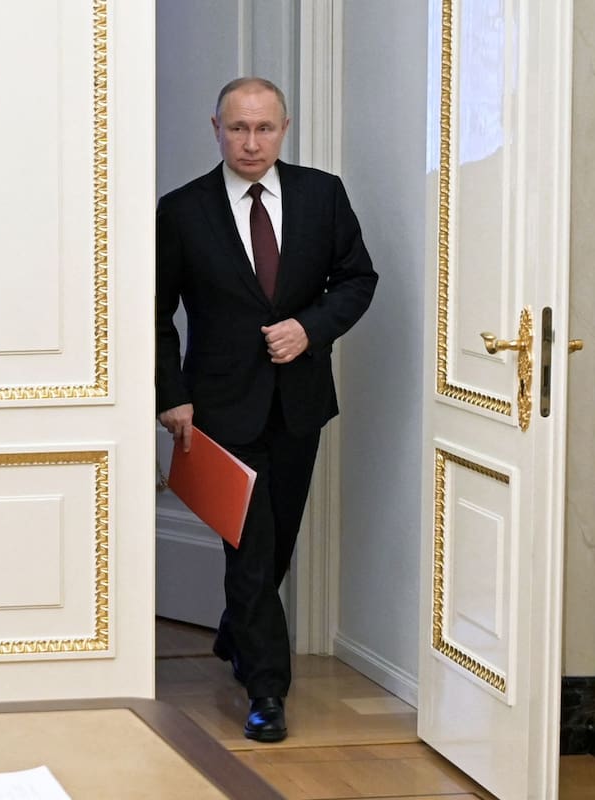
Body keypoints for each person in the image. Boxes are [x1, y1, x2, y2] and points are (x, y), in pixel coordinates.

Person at [156, 77, 377, 742]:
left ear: (285, 128)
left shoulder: (322, 194)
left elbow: (358, 279)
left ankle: (235, 632)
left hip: (299, 402)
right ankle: (268, 692)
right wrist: (171, 395)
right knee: (247, 550)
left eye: (264, 128)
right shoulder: (183, 209)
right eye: (237, 128)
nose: (250, 142)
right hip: (219, 408)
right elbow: (155, 313)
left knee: (276, 541)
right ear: (215, 128)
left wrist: (311, 328)